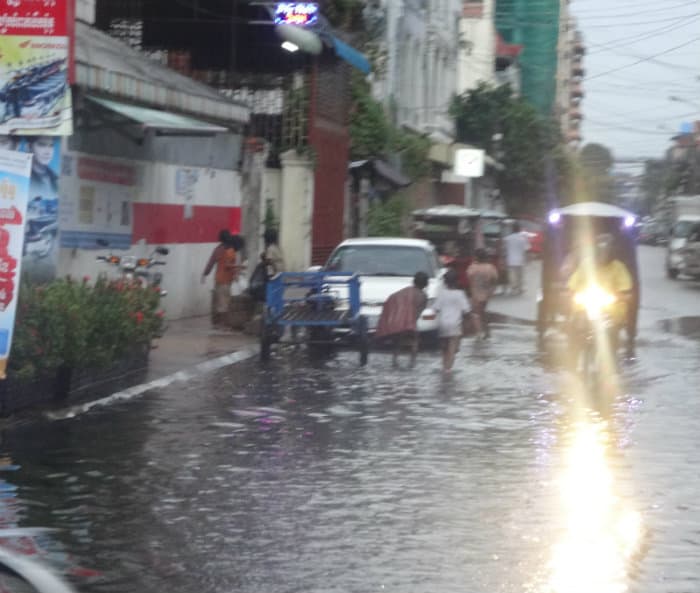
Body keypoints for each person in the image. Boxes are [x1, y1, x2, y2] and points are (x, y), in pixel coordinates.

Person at [567, 233, 633, 358]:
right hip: (585, 307)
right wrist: (572, 292)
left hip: (610, 310)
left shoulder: (618, 267)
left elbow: (625, 287)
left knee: (613, 333)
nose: (603, 255)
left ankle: (613, 361)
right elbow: (574, 282)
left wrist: (621, 295)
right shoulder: (586, 264)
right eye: (600, 251)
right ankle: (572, 359)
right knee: (573, 328)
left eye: (606, 251)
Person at [375, 271, 429, 368]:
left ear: (414, 281)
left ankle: (395, 361)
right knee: (414, 341)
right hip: (411, 323)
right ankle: (412, 363)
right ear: (426, 284)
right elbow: (418, 311)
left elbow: (392, 300)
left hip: (399, 323)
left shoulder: (404, 292)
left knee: (398, 341)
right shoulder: (423, 296)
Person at [433, 268, 470, 373]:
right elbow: (466, 311)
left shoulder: (442, 293)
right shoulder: (460, 294)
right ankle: (449, 369)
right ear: (457, 281)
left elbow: (435, 309)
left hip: (442, 324)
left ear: (445, 282)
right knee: (452, 349)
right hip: (455, 325)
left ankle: (444, 367)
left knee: (444, 349)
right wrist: (467, 323)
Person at [202, 230, 238, 328]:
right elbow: (231, 265)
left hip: (220, 279)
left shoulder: (218, 249)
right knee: (225, 302)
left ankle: (219, 324)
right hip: (227, 280)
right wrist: (235, 274)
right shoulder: (232, 250)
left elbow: (211, 262)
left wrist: (205, 274)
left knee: (221, 302)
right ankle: (223, 324)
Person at [466, 247, 499, 339]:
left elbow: (469, 277)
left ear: (476, 257)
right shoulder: (490, 267)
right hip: (486, 293)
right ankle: (487, 331)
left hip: (476, 294)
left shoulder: (472, 268)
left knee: (475, 313)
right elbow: (495, 279)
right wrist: (491, 290)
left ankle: (479, 333)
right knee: (483, 312)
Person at [503, 221, 530, 295]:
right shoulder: (523, 238)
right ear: (519, 229)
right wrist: (527, 259)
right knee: (520, 275)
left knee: (512, 275)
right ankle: (520, 288)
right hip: (520, 260)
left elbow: (504, 250)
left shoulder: (507, 238)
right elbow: (526, 250)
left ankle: (514, 288)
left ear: (512, 229)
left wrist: (504, 259)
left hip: (510, 260)